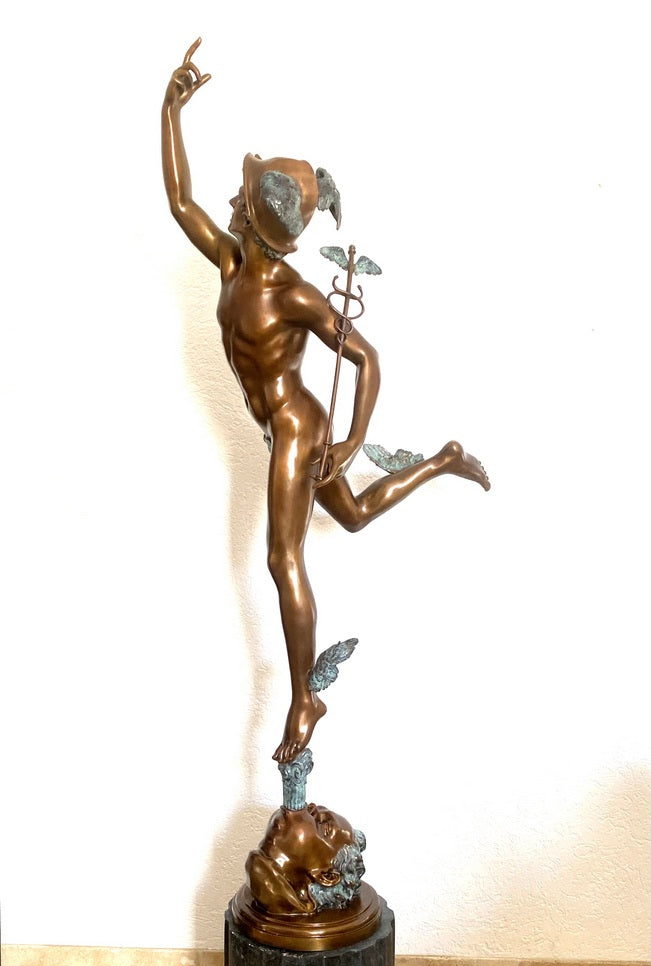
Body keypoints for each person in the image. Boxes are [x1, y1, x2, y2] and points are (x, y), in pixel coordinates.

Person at [162, 40, 490, 765]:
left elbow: (366, 358)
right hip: (281, 429)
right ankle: (442, 459)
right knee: (355, 515)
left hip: (297, 426)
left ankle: (303, 699)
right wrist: (170, 111)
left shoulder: (296, 295)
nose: (228, 201)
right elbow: (180, 201)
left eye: (240, 197)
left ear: (255, 218)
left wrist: (350, 440)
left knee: (282, 559)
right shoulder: (230, 261)